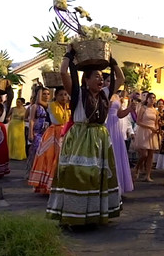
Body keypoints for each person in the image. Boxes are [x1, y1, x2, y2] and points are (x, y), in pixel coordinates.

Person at [46, 49, 122, 227]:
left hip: (100, 138)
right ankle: (74, 214)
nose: (100, 79)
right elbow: (64, 72)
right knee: (78, 173)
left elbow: (120, 79)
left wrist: (112, 61)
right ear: (86, 80)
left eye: (102, 76)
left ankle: (95, 214)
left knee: (98, 176)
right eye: (96, 76)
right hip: (80, 138)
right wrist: (69, 55)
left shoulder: (104, 94)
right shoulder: (78, 93)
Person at [27, 88, 71, 195]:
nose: (63, 97)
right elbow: (39, 101)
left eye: (65, 94)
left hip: (67, 133)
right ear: (55, 96)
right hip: (53, 134)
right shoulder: (51, 105)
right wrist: (40, 90)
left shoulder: (70, 107)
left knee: (63, 159)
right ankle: (49, 186)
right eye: (61, 95)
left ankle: (61, 185)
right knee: (51, 158)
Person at [106, 84, 137, 196]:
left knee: (118, 154)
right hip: (106, 125)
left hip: (116, 126)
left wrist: (129, 109)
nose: (109, 83)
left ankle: (118, 184)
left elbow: (119, 114)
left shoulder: (116, 96)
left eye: (111, 81)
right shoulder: (103, 94)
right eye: (108, 81)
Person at [131, 92, 160, 182]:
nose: (152, 99)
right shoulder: (143, 109)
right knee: (144, 154)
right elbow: (138, 121)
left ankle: (148, 175)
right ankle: (137, 167)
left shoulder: (156, 111)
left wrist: (157, 129)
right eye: (150, 98)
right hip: (143, 131)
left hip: (152, 132)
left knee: (150, 155)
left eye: (154, 98)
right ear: (147, 99)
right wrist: (149, 127)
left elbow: (156, 123)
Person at [25, 87, 51, 173]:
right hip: (37, 132)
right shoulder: (35, 106)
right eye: (44, 94)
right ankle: (32, 171)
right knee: (36, 151)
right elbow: (31, 120)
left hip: (47, 132)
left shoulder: (50, 106)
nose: (46, 96)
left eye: (48, 94)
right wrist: (30, 133)